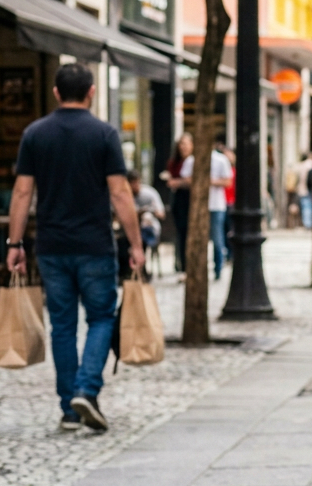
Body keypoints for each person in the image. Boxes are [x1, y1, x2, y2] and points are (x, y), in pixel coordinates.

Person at [5, 63, 144, 432]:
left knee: (62, 325)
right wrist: (136, 243)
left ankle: (69, 408)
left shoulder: (35, 133)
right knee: (100, 317)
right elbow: (119, 192)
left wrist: (14, 243)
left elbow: (22, 191)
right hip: (95, 244)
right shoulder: (104, 134)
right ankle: (86, 388)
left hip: (51, 245)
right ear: (92, 92)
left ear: (55, 93)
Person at [177, 143, 233, 280]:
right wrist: (199, 181)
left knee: (217, 238)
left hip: (216, 205)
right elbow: (185, 178)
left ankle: (217, 269)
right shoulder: (191, 160)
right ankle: (197, 270)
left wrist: (211, 182)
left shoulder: (221, 160)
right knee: (196, 239)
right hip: (197, 205)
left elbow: (228, 181)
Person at [163, 132, 193, 272]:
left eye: (186, 144)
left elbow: (190, 180)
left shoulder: (194, 161)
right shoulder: (174, 162)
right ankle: (182, 264)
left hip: (191, 199)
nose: (183, 147)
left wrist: (178, 182)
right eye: (181, 144)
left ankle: (189, 264)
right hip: (179, 200)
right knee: (181, 233)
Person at [127, 170, 165, 252]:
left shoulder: (149, 193)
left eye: (136, 182)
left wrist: (149, 211)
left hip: (149, 228)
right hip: (129, 230)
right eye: (132, 183)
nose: (135, 186)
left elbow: (161, 214)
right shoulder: (125, 197)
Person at [295, 153, 312, 228]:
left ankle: (307, 223)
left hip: (303, 188)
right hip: (309, 188)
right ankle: (308, 223)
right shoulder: (311, 164)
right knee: (308, 206)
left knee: (305, 206)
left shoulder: (301, 165)